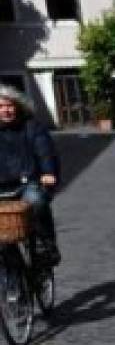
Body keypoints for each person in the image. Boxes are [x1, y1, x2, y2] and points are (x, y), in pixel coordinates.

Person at [0, 85, 60, 266]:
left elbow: (45, 152)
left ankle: (46, 243)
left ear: (18, 106)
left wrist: (48, 172)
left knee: (36, 201)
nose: (6, 110)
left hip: (27, 182)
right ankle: (11, 276)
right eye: (1, 106)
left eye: (9, 105)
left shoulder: (31, 127)